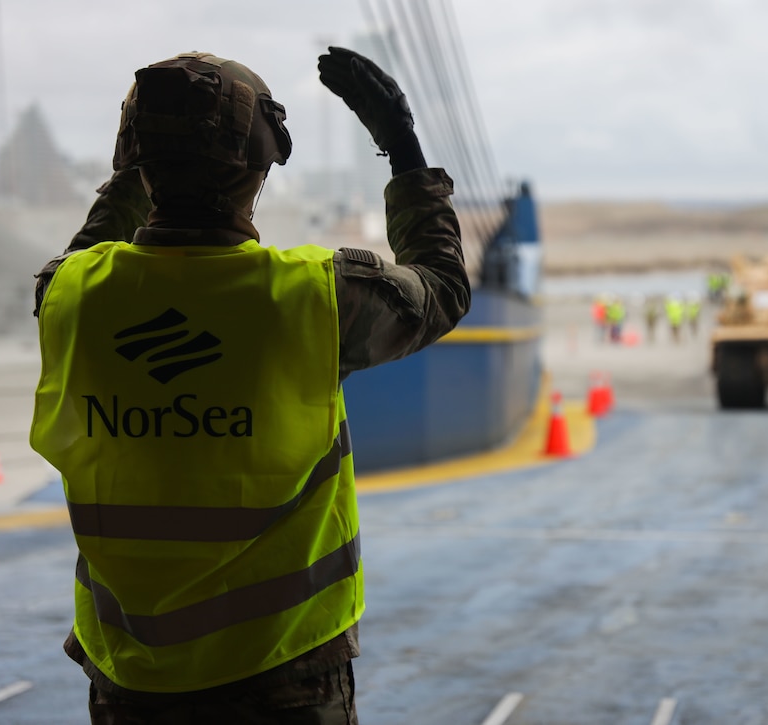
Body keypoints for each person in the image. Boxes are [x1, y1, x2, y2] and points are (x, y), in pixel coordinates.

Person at [29, 48, 469, 724]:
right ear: (259, 169)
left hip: (129, 678)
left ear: (135, 163)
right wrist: (402, 148)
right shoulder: (314, 296)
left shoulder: (72, 297)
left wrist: (144, 162)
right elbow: (441, 285)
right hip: (282, 674)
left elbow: (89, 248)